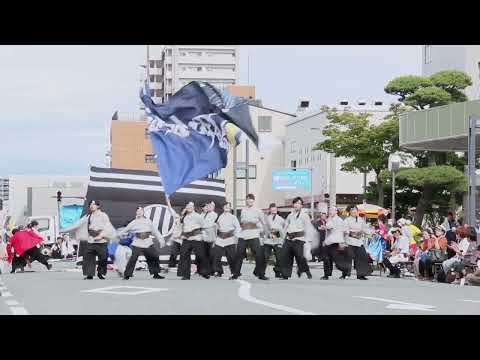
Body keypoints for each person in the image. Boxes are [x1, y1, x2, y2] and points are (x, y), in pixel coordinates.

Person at [63, 200, 117, 280]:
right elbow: (77, 224)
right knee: (88, 257)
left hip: (102, 241)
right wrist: (64, 230)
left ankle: (101, 272)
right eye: (90, 204)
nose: (91, 206)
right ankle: (89, 273)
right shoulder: (88, 216)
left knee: (103, 258)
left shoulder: (103, 215)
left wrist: (101, 235)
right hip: (91, 240)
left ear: (98, 206)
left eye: (93, 204)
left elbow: (107, 226)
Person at [119, 206, 166, 280]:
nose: (139, 212)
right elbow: (125, 230)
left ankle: (155, 274)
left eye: (141, 210)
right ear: (136, 212)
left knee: (154, 256)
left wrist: (161, 240)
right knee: (133, 258)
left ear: (143, 212)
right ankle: (127, 275)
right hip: (137, 243)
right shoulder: (133, 222)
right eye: (138, 211)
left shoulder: (148, 221)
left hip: (148, 242)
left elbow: (155, 231)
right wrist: (119, 235)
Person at [233, 194, 268, 280]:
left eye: (251, 199)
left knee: (259, 255)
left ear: (253, 200)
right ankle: (236, 273)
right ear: (246, 200)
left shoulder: (258, 210)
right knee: (239, 254)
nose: (249, 201)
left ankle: (260, 274)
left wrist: (263, 233)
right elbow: (241, 222)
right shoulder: (243, 210)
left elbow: (264, 222)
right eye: (248, 199)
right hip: (243, 234)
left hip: (254, 234)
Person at [280, 197, 312, 280]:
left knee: (300, 257)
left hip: (299, 239)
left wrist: (308, 241)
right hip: (289, 238)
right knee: (285, 256)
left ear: (301, 205)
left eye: (299, 203)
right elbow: (285, 227)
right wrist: (283, 239)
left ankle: (306, 271)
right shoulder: (290, 215)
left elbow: (308, 228)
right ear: (293, 204)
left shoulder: (305, 216)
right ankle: (285, 274)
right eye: (295, 203)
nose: (297, 205)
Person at [178, 201, 211, 280]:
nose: (189, 207)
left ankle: (205, 272)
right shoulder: (185, 217)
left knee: (201, 255)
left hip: (196, 237)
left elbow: (204, 225)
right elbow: (183, 227)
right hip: (187, 238)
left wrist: (202, 235)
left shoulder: (197, 216)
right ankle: (186, 275)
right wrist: (182, 235)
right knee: (184, 255)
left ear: (193, 207)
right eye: (187, 206)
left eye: (191, 206)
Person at [212, 202, 240, 278]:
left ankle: (234, 272)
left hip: (230, 238)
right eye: (225, 206)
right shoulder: (220, 216)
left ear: (230, 208)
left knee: (231, 257)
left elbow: (237, 227)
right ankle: (218, 271)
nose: (226, 207)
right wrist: (215, 238)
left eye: (228, 206)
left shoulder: (233, 217)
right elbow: (216, 227)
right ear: (223, 207)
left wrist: (237, 237)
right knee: (216, 256)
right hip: (220, 238)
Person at [344, 205, 372, 280]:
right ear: (349, 212)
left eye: (355, 210)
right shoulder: (347, 220)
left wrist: (369, 232)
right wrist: (353, 233)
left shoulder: (361, 220)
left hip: (359, 242)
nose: (354, 211)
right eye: (352, 210)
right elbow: (345, 230)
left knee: (362, 257)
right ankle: (346, 274)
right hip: (350, 241)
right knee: (348, 258)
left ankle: (361, 275)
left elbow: (365, 229)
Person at [323, 207, 350, 280]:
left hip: (336, 242)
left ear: (336, 212)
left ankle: (345, 271)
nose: (330, 212)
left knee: (337, 260)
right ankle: (326, 274)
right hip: (329, 242)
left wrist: (343, 241)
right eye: (329, 210)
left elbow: (329, 227)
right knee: (326, 258)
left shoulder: (338, 220)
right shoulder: (331, 219)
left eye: (332, 210)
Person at [264, 203, 285, 278]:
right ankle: (262, 272)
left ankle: (277, 271)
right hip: (268, 241)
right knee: (265, 256)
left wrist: (278, 236)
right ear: (269, 210)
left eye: (275, 209)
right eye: (272, 209)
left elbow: (283, 230)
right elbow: (264, 230)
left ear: (276, 209)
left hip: (277, 240)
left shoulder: (281, 219)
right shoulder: (266, 219)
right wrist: (269, 235)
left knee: (279, 257)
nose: (274, 210)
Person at [201, 202, 218, 276]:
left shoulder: (215, 214)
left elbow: (209, 224)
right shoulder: (205, 214)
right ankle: (208, 270)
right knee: (206, 255)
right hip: (204, 238)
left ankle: (216, 270)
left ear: (214, 207)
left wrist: (203, 225)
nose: (209, 207)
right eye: (208, 206)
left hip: (212, 237)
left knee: (212, 255)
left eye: (211, 206)